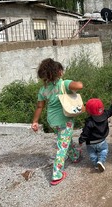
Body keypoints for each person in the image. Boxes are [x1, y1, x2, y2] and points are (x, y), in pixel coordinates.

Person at [31, 58, 83, 186]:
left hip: (52, 121)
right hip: (65, 120)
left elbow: (39, 107)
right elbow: (79, 86)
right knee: (61, 147)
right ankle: (57, 174)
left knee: (64, 139)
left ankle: (75, 155)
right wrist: (75, 82)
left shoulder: (43, 90)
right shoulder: (63, 84)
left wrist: (35, 122)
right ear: (59, 72)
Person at [79, 98, 112, 172]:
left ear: (89, 111)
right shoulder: (106, 114)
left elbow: (85, 132)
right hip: (102, 141)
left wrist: (81, 140)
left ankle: (96, 164)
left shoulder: (89, 121)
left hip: (90, 143)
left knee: (92, 154)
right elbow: (111, 110)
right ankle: (101, 161)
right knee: (104, 150)